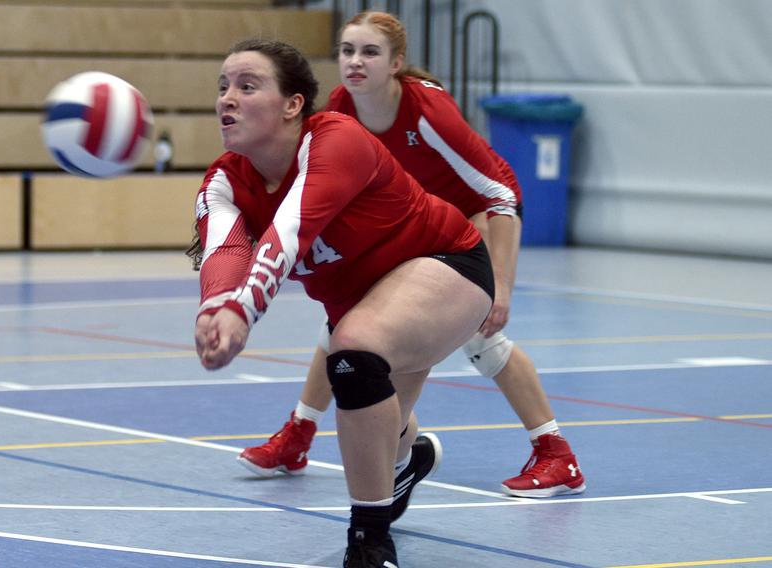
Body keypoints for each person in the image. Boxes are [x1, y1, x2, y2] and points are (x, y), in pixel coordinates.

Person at [238, 11, 586, 499]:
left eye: (370, 52)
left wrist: (501, 286)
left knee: (484, 341)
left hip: (470, 219)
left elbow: (500, 193)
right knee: (344, 327)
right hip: (409, 225)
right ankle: (299, 434)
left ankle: (556, 453)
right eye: (346, 51)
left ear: (397, 62)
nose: (355, 62)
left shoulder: (427, 113)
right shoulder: (340, 107)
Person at [191, 38, 494, 567]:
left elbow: (289, 229)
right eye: (222, 88)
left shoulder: (335, 140)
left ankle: (370, 544)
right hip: (368, 301)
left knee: (353, 354)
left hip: (448, 266)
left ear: (292, 105)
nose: (227, 100)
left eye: (246, 86)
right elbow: (225, 247)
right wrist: (215, 306)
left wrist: (243, 311)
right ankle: (409, 460)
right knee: (383, 419)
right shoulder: (224, 180)